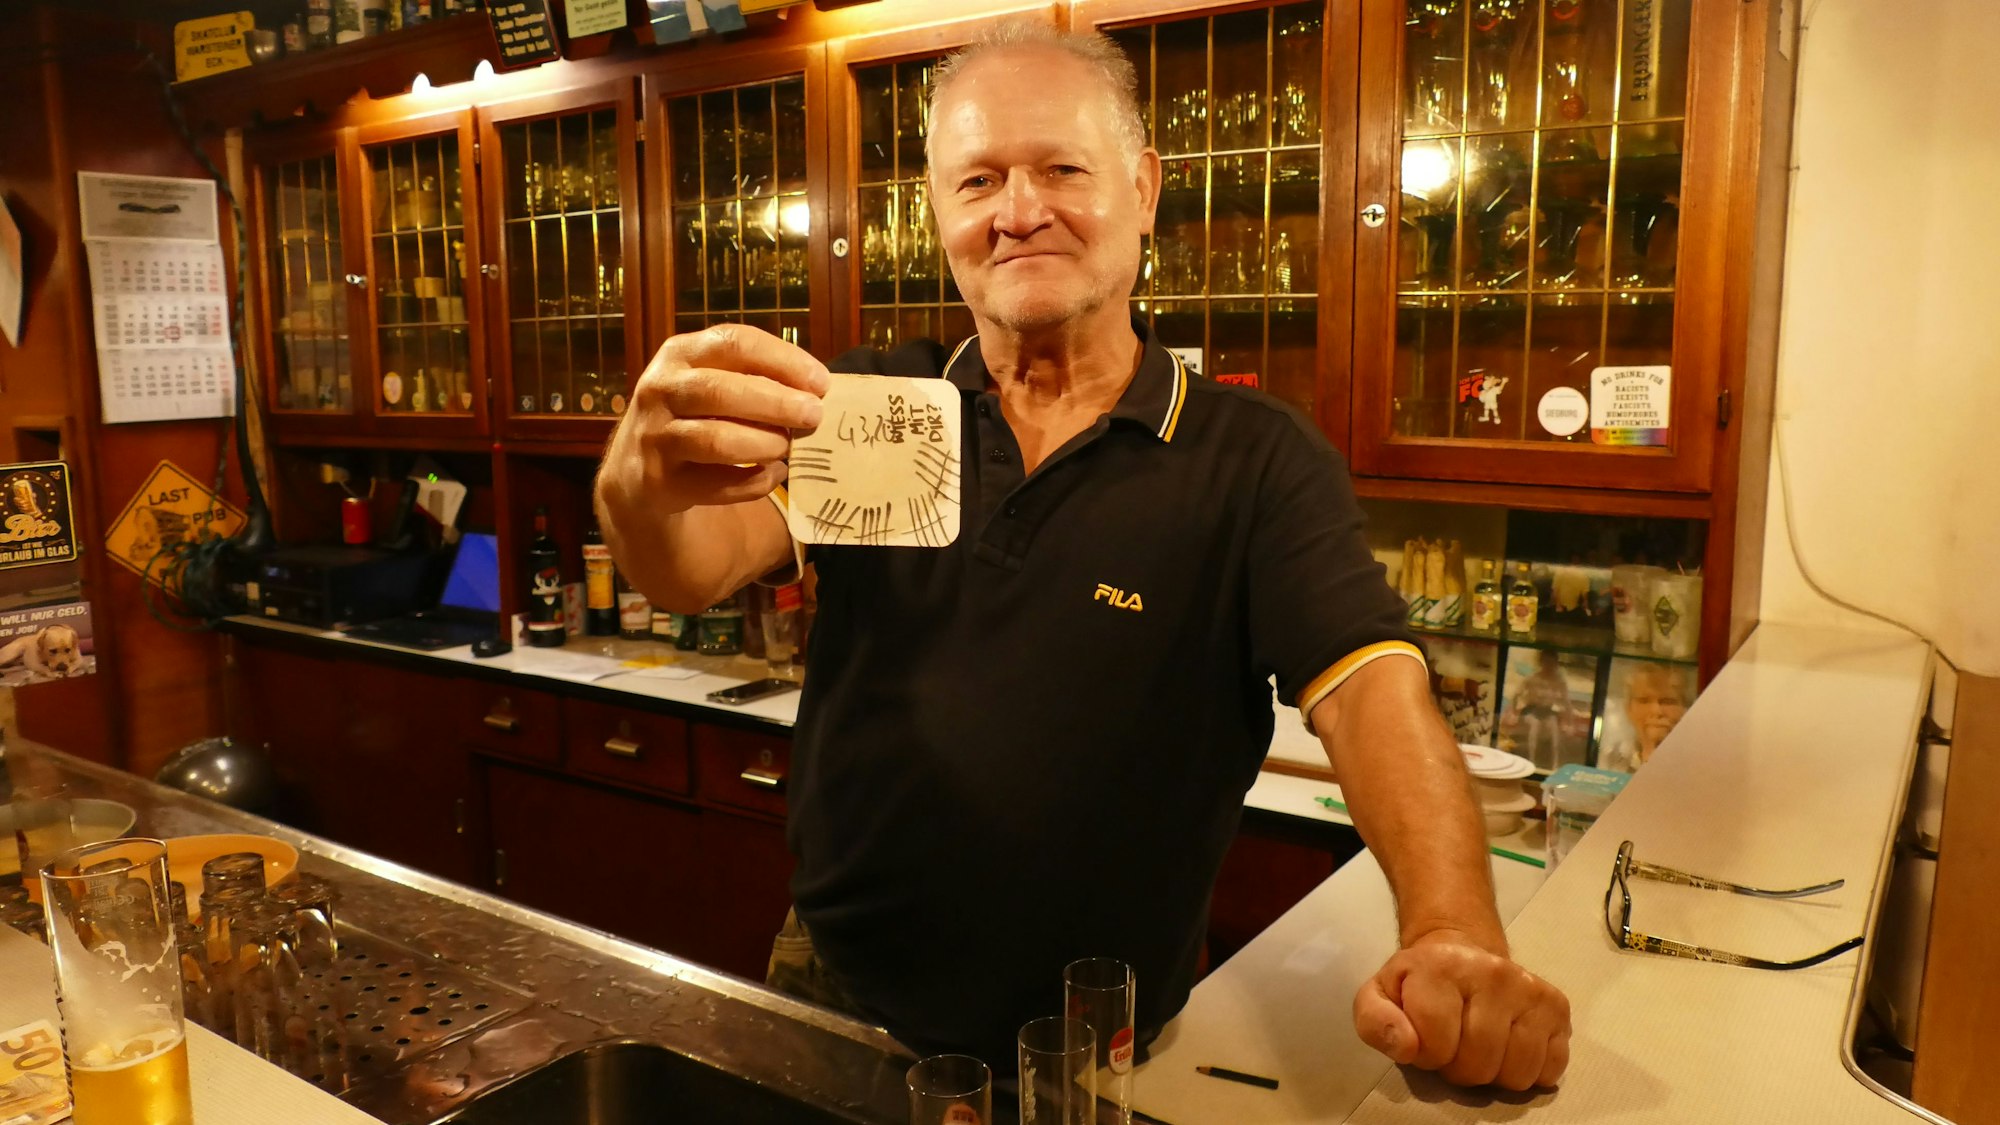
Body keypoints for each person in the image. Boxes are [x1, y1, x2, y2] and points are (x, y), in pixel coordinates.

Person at [595, 20, 1570, 1091]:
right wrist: (634, 484)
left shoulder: (1251, 458)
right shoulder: (881, 405)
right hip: (837, 999)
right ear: (938, 215)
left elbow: (1369, 690)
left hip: (1096, 1047)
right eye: (978, 181)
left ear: (1142, 190)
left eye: (1062, 169)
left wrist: (1451, 930)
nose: (1019, 211)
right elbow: (691, 566)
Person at [1596, 663, 1693, 774]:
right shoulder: (1610, 757)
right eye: (1644, 701)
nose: (1656, 711)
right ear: (1628, 709)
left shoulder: (1697, 759)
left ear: (1685, 709)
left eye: (1668, 701)